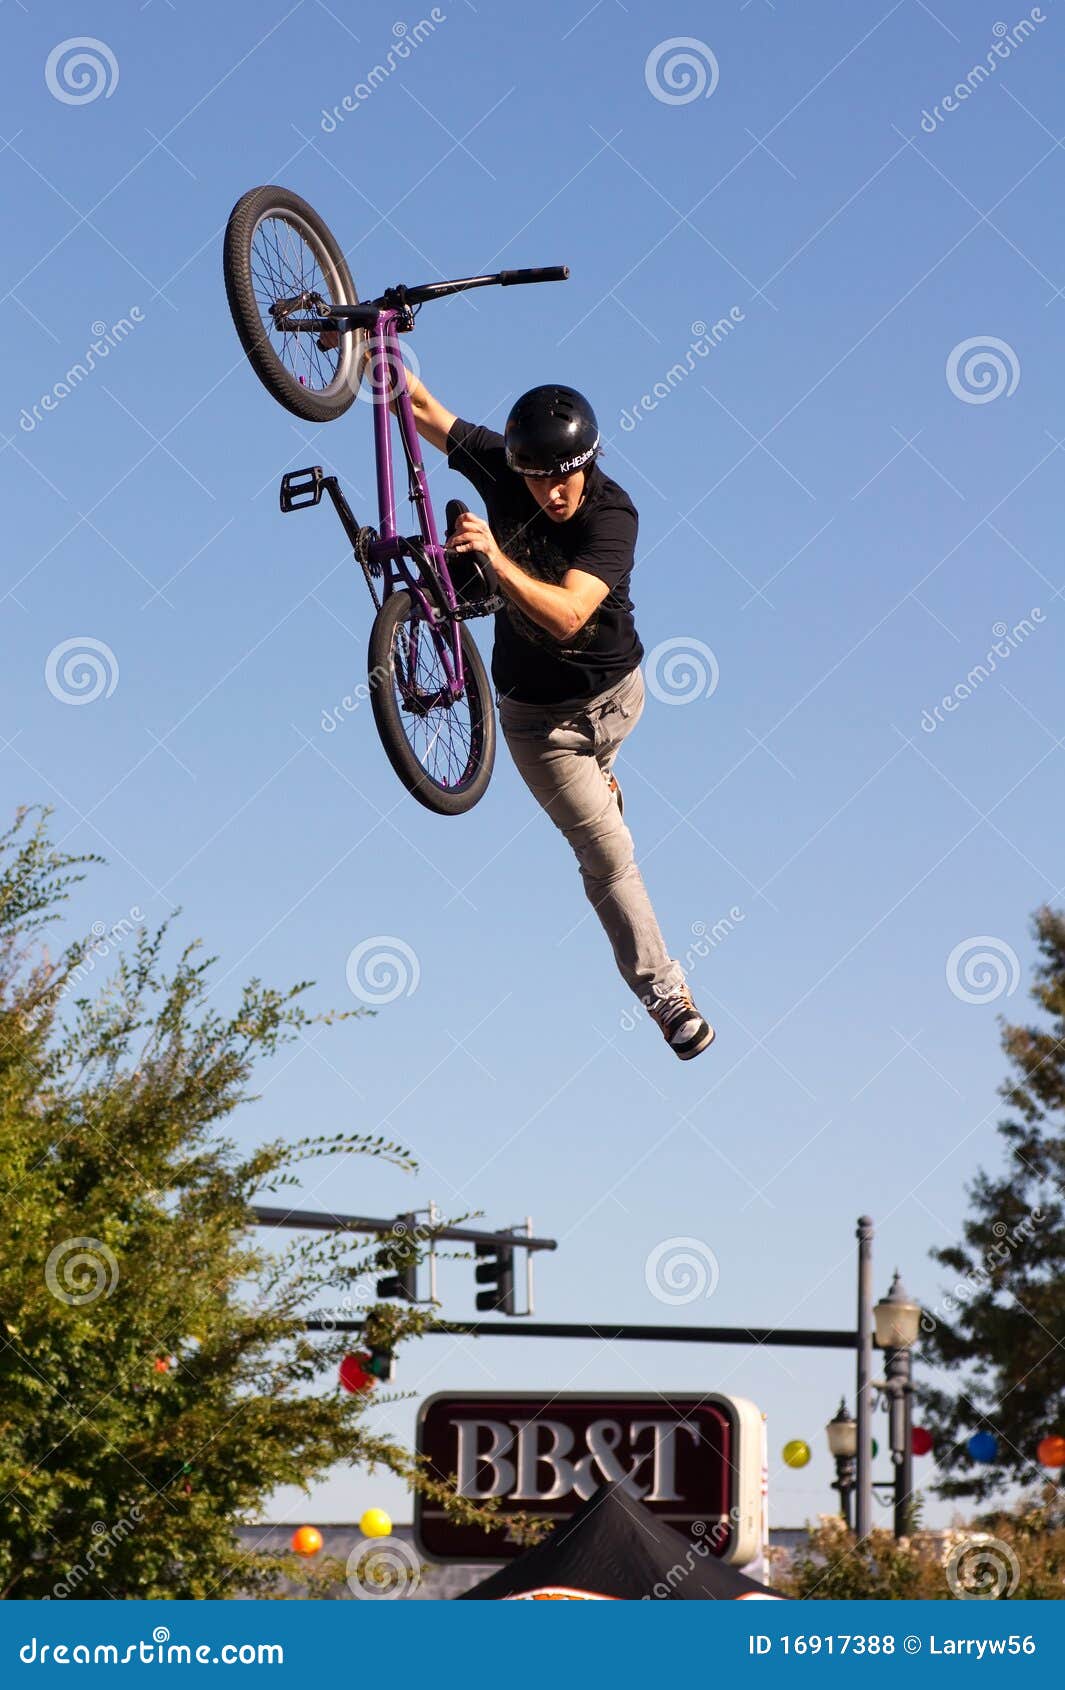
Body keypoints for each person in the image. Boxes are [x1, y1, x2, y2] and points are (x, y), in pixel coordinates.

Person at [403, 373, 715, 1061]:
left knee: (602, 791)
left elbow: (570, 614)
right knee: (606, 855)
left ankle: (604, 777)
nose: (548, 494)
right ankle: (667, 996)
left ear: (586, 464)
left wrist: (496, 558)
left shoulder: (612, 513)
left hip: (617, 696)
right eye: (534, 479)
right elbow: (420, 406)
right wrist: (359, 339)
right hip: (541, 729)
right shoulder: (506, 469)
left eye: (560, 480)